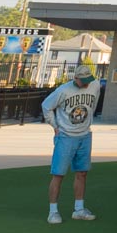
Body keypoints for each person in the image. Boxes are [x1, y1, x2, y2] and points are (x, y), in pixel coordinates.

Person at [41, 64, 103, 224]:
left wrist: (89, 120)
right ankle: (53, 211)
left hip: (85, 135)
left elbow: (93, 105)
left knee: (82, 172)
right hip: (66, 136)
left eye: (88, 80)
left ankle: (79, 209)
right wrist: (55, 126)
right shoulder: (63, 90)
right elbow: (46, 106)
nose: (87, 84)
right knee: (58, 174)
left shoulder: (95, 85)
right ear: (75, 78)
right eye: (83, 81)